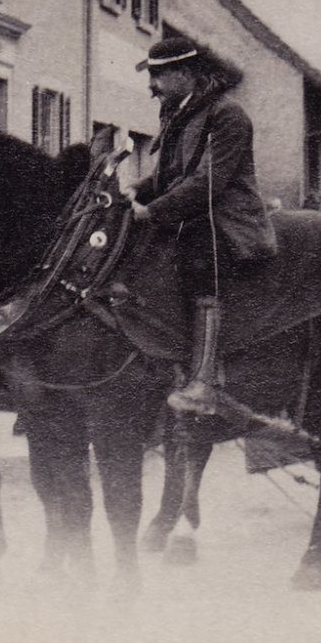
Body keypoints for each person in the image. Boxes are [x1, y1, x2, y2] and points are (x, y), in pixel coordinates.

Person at [127, 37, 277, 413]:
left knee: (198, 251)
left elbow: (208, 182)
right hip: (189, 212)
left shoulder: (227, 115)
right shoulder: (177, 113)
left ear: (186, 73)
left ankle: (205, 379)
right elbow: (168, 175)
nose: (152, 86)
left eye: (159, 76)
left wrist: (152, 211)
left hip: (226, 219)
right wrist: (134, 188)